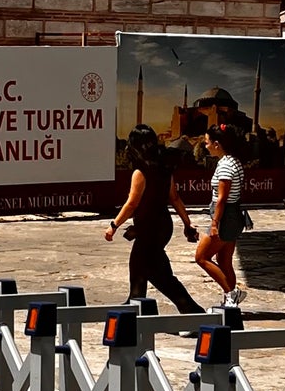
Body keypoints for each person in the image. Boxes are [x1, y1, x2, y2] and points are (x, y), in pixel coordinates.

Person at [104, 125, 203, 314]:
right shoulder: (165, 168)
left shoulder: (140, 172)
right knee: (138, 264)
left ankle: (192, 311)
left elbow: (132, 204)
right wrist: (186, 223)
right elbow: (174, 198)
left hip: (150, 227)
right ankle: (135, 302)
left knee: (159, 274)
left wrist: (113, 225)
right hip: (162, 225)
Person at [194, 125, 249, 307]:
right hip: (233, 215)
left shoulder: (225, 165)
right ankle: (231, 302)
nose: (205, 145)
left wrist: (215, 223)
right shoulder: (233, 161)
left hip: (226, 217)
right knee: (224, 260)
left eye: (207, 142)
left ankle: (231, 292)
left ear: (217, 144)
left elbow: (221, 199)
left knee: (201, 257)